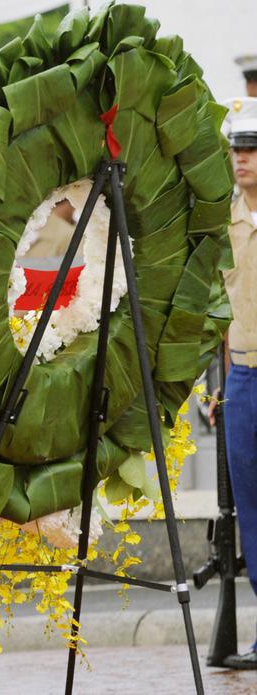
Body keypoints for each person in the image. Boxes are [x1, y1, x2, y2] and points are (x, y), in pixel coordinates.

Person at [218, 96, 257, 670]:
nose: (244, 160)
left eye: (253, 149)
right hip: (245, 376)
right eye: (238, 150)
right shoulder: (222, 220)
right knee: (252, 512)